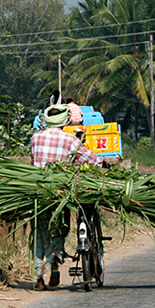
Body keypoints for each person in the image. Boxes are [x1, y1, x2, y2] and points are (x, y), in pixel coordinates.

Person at [30, 103, 103, 291]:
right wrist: (103, 165)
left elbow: (33, 161)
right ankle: (54, 264)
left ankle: (38, 278)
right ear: (65, 121)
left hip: (38, 192)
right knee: (59, 228)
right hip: (59, 193)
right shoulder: (70, 140)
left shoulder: (35, 137)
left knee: (39, 233)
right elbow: (90, 159)